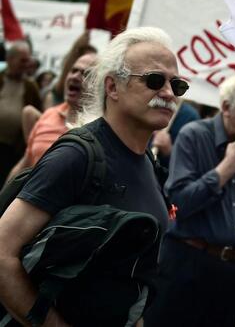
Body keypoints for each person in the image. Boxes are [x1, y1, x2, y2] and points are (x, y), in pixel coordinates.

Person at [0, 27, 183, 326]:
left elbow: (133, 276)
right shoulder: (78, 155)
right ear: (112, 87)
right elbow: (2, 253)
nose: (167, 93)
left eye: (177, 85)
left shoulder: (150, 164)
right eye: (154, 80)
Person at [144, 69, 235, 327]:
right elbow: (177, 205)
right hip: (188, 265)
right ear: (226, 107)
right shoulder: (194, 135)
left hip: (233, 274)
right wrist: (226, 169)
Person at [5, 52, 98, 183]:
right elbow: (25, 162)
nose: (75, 76)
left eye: (85, 74)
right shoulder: (49, 115)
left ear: (99, 85)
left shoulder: (99, 128)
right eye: (73, 70)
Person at [0, 41, 42, 179]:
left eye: (28, 60)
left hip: (12, 152)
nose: (27, 64)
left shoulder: (31, 87)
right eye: (23, 60)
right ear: (10, 59)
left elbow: (40, 118)